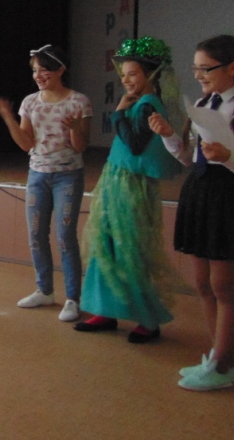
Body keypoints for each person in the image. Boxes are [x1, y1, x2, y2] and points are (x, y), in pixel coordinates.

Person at [148, 35, 234, 391]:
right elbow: (191, 157)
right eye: (195, 69)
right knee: (204, 284)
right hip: (202, 193)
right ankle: (221, 359)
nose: (198, 76)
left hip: (233, 199)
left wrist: (230, 157)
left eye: (206, 69)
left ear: (233, 67)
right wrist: (169, 136)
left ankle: (221, 364)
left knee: (226, 286)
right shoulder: (204, 104)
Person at [74, 38, 183, 343]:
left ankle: (148, 320)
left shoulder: (148, 104)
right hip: (116, 180)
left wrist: (118, 113)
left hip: (132, 186)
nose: (126, 80)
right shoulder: (139, 102)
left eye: (133, 74)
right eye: (123, 74)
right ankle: (104, 310)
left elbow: (135, 145)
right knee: (106, 245)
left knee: (130, 249)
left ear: (151, 74)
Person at [0, 44, 92, 323]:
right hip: (37, 175)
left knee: (65, 236)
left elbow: (80, 147)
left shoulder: (78, 101)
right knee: (36, 235)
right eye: (35, 70)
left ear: (60, 69)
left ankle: (73, 299)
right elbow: (26, 143)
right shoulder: (30, 102)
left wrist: (75, 129)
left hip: (68, 176)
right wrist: (8, 117)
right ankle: (44, 290)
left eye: (44, 69)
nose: (38, 75)